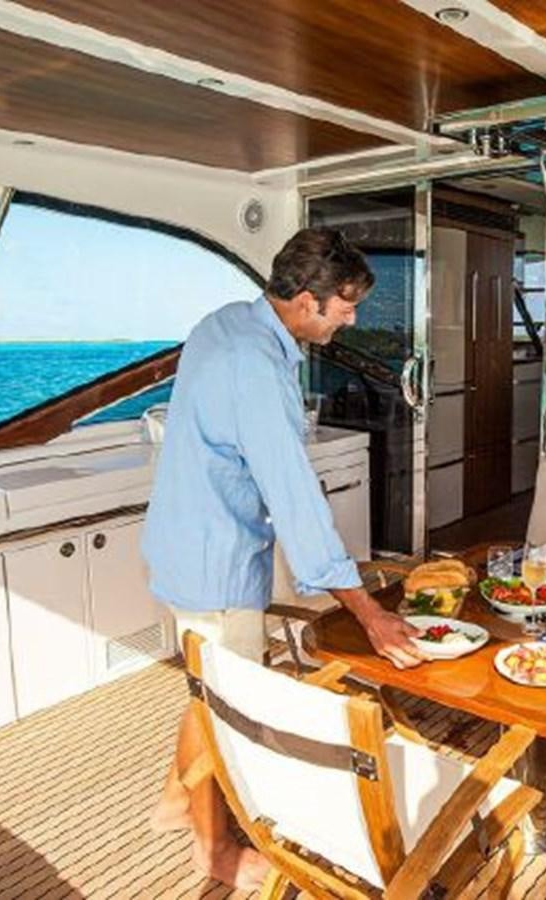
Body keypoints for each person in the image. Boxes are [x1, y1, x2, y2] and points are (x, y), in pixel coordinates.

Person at [141, 228, 426, 889]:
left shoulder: (225, 324)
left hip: (181, 540)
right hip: (214, 562)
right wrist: (367, 612)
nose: (352, 318)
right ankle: (213, 853)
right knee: (224, 704)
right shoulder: (256, 368)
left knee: (201, 686)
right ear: (305, 300)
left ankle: (174, 802)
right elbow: (294, 498)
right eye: (346, 305)